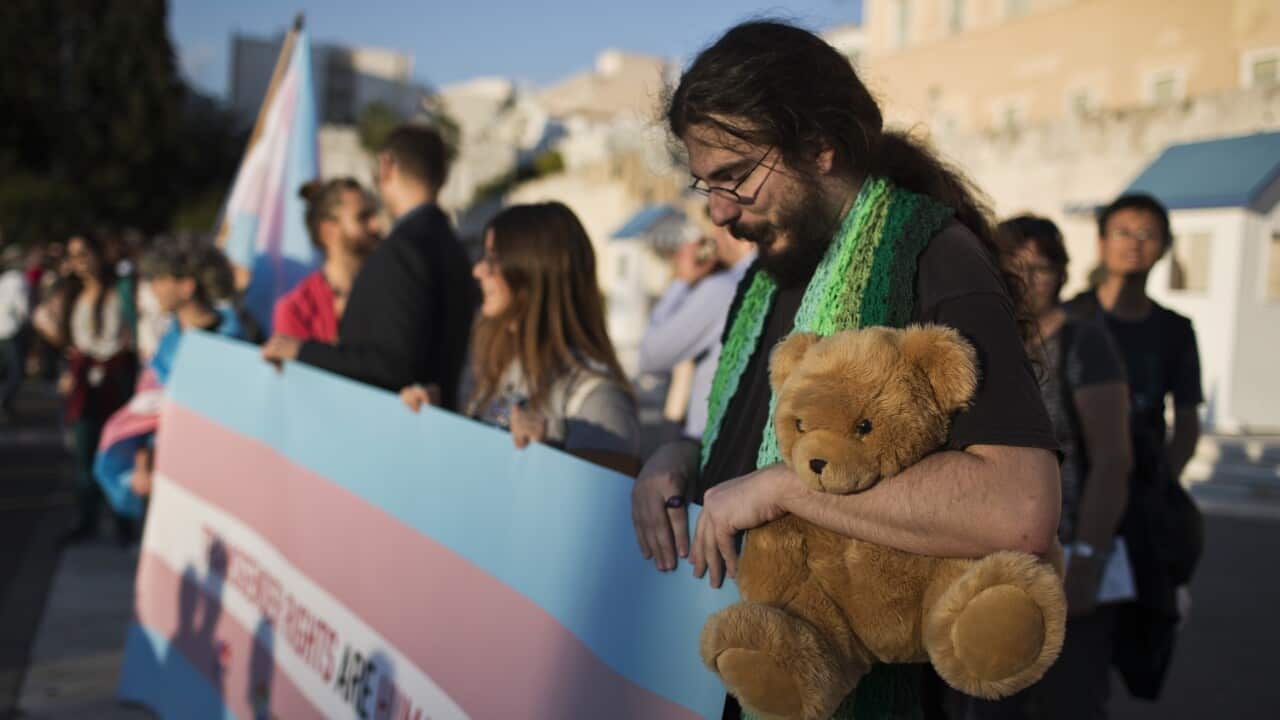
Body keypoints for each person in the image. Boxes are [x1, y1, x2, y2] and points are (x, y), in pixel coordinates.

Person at [631, 21, 1060, 718]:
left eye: (735, 179)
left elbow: (1020, 508)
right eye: (704, 184)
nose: (717, 212)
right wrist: (677, 458)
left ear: (819, 147)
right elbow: (743, 448)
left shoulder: (931, 256)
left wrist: (788, 489)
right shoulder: (769, 274)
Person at [944, 216, 1133, 720]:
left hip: (1066, 556)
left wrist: (1088, 558)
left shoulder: (1084, 342)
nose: (1028, 279)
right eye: (1014, 266)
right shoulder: (982, 339)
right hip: (988, 562)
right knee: (989, 701)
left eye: (1043, 267)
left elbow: (1113, 458)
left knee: (1069, 702)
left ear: (1064, 273)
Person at [1063, 192, 1204, 700]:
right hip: (1072, 493)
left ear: (1164, 246)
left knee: (1134, 632)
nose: (1134, 244)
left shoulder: (1174, 331)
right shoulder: (1070, 319)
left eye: (1147, 234)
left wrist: (1157, 480)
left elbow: (1185, 421)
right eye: (1123, 232)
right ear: (1101, 243)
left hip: (1139, 495)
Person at [401, 202, 641, 476]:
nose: (478, 271)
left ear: (534, 272)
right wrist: (435, 424)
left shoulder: (600, 400)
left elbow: (600, 513)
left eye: (493, 259)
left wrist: (545, 457)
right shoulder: (500, 368)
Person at [262, 125, 475, 410]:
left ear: (386, 166)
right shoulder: (453, 248)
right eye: (363, 217)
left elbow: (391, 364)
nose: (375, 227)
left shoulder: (402, 249)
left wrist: (303, 351)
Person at [94, 239, 248, 519]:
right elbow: (148, 409)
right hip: (166, 476)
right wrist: (142, 461)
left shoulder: (235, 343)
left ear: (187, 286)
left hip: (218, 479)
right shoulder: (168, 342)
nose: (153, 289)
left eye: (160, 279)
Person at [32, 232, 137, 543]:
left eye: (84, 253)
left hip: (116, 376)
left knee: (118, 450)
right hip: (83, 379)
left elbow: (133, 332)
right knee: (83, 453)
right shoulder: (70, 293)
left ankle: (123, 520)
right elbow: (51, 326)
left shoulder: (121, 289)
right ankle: (86, 519)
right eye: (73, 256)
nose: (79, 262)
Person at [638, 220, 755, 439]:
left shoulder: (723, 288)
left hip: (707, 441)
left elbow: (650, 357)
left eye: (720, 225)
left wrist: (681, 282)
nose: (714, 234)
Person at [271, 178, 382, 343]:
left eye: (373, 215)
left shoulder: (391, 288)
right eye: (363, 217)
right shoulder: (297, 310)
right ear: (328, 231)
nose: (376, 225)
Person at [0, 244, 30, 420]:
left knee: (5, 370)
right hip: (12, 330)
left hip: (1, 330)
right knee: (16, 371)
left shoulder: (4, 279)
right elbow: (22, 308)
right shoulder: (19, 280)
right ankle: (6, 403)